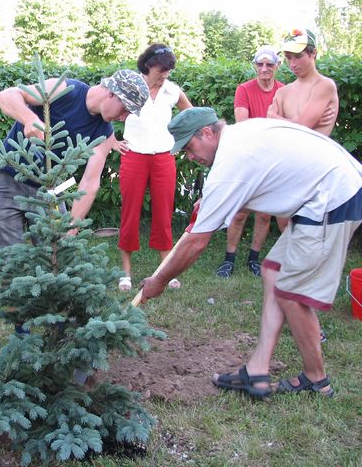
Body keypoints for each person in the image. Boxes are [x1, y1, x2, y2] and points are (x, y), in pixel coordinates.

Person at [140, 107, 362, 399]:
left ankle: (317, 381)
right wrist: (210, 203)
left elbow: (196, 242)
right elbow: (256, 186)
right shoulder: (239, 136)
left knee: (291, 293)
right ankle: (257, 371)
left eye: (190, 148)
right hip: (328, 190)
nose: (190, 157)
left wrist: (159, 281)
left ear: (207, 133)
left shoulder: (231, 162)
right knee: (274, 270)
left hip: (333, 198)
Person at [0, 69, 149, 249]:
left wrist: (71, 229)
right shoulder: (65, 89)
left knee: (55, 256)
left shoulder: (105, 135)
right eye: (125, 108)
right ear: (112, 93)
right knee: (6, 258)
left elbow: (89, 184)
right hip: (8, 180)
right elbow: (7, 96)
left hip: (50, 191)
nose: (124, 118)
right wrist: (29, 119)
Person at [117, 44, 192, 292]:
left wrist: (183, 142)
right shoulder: (129, 86)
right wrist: (111, 141)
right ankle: (125, 273)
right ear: (148, 65)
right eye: (162, 69)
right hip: (133, 156)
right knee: (130, 212)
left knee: (163, 214)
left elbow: (191, 116)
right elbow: (103, 113)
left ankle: (165, 271)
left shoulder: (172, 90)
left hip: (163, 159)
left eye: (169, 69)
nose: (166, 74)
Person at [215, 46, 286, 279]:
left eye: (269, 64)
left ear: (277, 66)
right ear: (255, 65)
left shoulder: (283, 91)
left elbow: (287, 127)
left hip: (274, 159)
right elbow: (243, 125)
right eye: (260, 64)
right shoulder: (244, 89)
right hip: (250, 158)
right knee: (240, 212)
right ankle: (229, 259)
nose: (264, 69)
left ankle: (254, 259)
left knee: (265, 214)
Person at [268, 28, 338, 137]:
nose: (292, 64)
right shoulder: (282, 92)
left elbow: (302, 128)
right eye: (288, 57)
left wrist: (274, 117)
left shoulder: (324, 85)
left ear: (313, 53)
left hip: (315, 153)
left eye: (298, 56)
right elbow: (274, 132)